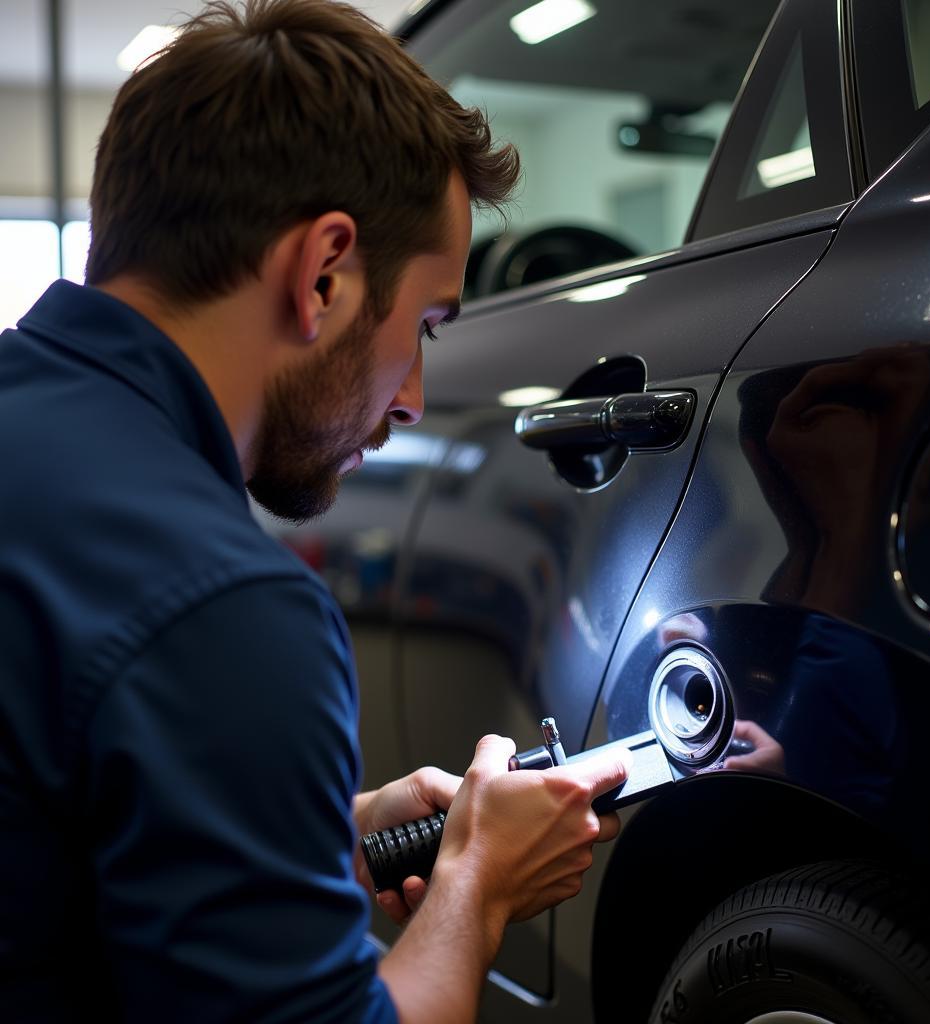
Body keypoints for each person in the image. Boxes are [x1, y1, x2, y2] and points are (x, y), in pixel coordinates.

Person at [0, 2, 630, 1021]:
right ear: (324, 273)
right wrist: (477, 884)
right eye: (424, 323)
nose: (415, 394)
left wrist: (328, 830)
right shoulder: (221, 605)